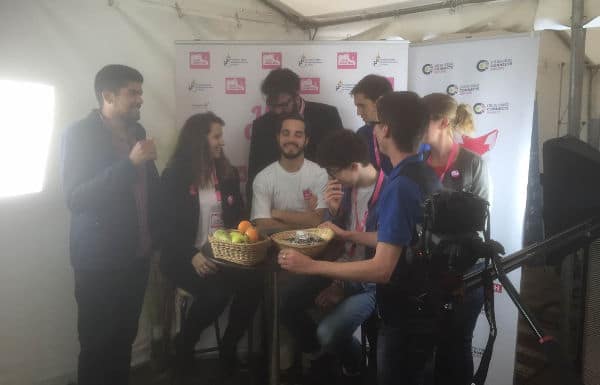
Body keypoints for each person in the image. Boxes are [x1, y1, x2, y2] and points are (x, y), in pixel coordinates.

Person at [277, 91, 442, 385]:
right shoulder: (422, 174)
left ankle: (348, 366)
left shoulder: (398, 186)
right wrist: (343, 228)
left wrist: (312, 267)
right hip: (416, 303)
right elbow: (396, 238)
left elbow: (382, 268)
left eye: (376, 123)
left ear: (386, 130)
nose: (372, 130)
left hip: (401, 306)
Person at [61, 64, 161, 385]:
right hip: (100, 263)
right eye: (133, 92)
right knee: (97, 344)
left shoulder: (138, 133)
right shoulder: (80, 134)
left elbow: (146, 189)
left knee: (123, 340)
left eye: (140, 92)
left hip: (137, 258)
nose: (140, 99)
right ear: (107, 95)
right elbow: (77, 198)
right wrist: (129, 164)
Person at [160, 112, 262, 380]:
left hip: (224, 255)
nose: (221, 143)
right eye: (216, 136)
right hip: (183, 257)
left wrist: (243, 243)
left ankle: (229, 345)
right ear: (198, 140)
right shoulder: (174, 176)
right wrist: (191, 254)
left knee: (254, 285)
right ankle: (184, 345)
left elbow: (238, 218)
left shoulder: (226, 174)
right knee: (217, 293)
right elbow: (164, 227)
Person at [307, 129, 385, 383]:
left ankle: (355, 367)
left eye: (333, 172)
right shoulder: (346, 189)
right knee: (288, 301)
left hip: (373, 283)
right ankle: (338, 359)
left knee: (328, 332)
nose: (332, 178)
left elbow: (386, 243)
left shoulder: (390, 191)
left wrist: (340, 283)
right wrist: (332, 211)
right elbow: (334, 234)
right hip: (343, 271)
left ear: (353, 166)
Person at [422, 93, 490, 385]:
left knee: (457, 343)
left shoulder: (473, 163)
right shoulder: (416, 164)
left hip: (466, 268)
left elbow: (479, 221)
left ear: (443, 122)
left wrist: (459, 272)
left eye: (421, 120)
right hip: (425, 268)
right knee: (425, 344)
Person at [247, 68, 343, 206]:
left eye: (283, 105)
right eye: (273, 105)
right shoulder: (261, 126)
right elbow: (254, 175)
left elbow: (340, 164)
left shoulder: (327, 116)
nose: (278, 111)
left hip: (322, 207)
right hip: (276, 211)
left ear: (297, 95)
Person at [250, 113, 328, 231]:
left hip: (314, 247)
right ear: (278, 137)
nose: (291, 139)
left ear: (306, 140)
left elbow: (318, 220)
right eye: (286, 134)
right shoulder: (263, 178)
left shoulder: (320, 174)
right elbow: (263, 225)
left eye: (298, 135)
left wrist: (277, 213)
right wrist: (305, 223)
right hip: (274, 248)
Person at [352, 74, 393, 174]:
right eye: (357, 106)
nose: (358, 112)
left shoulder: (404, 131)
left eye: (362, 106)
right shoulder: (362, 133)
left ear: (379, 102)